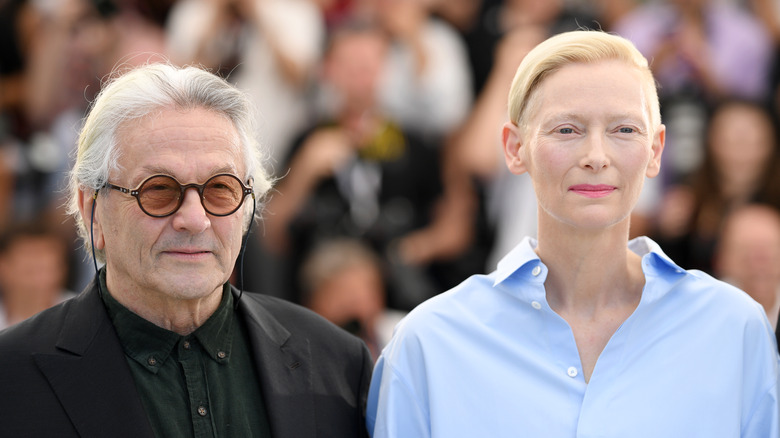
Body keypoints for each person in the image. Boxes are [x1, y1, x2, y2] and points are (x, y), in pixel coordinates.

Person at [367, 30, 780, 437]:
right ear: (514, 148)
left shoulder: (735, 329)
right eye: (567, 130)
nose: (596, 157)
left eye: (624, 130)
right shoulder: (429, 343)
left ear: (655, 151)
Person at [0, 63, 372, 437]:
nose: (194, 219)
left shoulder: (337, 364)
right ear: (91, 208)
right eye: (158, 190)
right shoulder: (11, 379)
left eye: (220, 189)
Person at [715, 204, 780, 337]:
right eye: (745, 250)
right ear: (721, 258)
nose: (759, 265)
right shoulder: (706, 315)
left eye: (770, 250)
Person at [0, 221, 75, 330]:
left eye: (46, 269)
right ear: (3, 267)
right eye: (30, 270)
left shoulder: (85, 314)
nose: (40, 281)